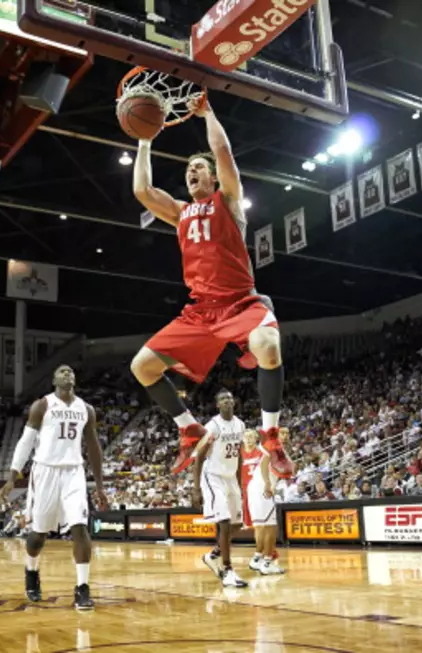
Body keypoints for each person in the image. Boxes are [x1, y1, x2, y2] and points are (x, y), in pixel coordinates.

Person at [129, 95, 292, 478]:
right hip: (201, 310)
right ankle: (188, 427)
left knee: (268, 348)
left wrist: (207, 113)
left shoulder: (229, 202)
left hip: (240, 302)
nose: (193, 172)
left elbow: (223, 151)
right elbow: (142, 190)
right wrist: (145, 139)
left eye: (199, 168)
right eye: (188, 169)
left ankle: (271, 434)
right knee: (142, 367)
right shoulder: (180, 212)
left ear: (213, 178)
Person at [0, 365, 108, 610]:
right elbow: (26, 441)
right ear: (53, 379)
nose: (67, 373)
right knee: (38, 535)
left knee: (80, 528)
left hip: (73, 472)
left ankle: (82, 588)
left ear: (75, 379)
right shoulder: (42, 405)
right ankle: (31, 570)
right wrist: (12, 476)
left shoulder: (86, 409)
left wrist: (100, 486)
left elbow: (93, 447)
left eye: (71, 371)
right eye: (61, 371)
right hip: (45, 471)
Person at [193, 389, 248, 587]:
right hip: (213, 476)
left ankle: (213, 555)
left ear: (234, 402)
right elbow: (199, 457)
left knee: (237, 525)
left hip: (230, 477)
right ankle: (228, 570)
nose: (227, 401)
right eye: (223, 399)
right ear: (217, 405)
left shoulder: (240, 425)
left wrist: (240, 482)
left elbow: (239, 455)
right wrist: (196, 488)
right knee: (224, 523)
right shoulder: (213, 426)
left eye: (230, 398)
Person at [241, 428, 285, 575]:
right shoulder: (268, 448)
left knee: (260, 526)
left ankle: (257, 558)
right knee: (270, 526)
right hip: (259, 490)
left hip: (253, 490)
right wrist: (268, 484)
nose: (284, 436)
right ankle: (267, 561)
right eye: (282, 433)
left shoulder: (266, 449)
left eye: (287, 433)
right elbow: (266, 465)